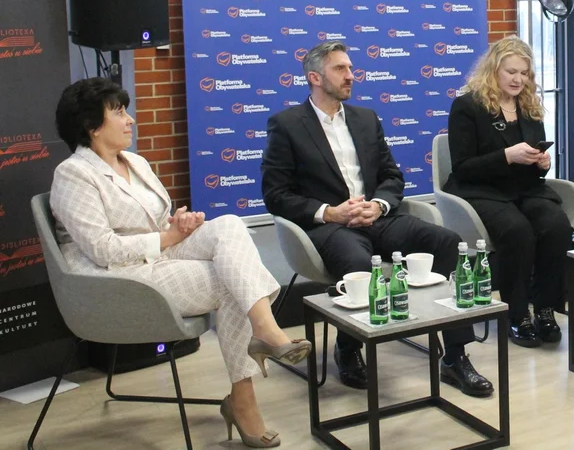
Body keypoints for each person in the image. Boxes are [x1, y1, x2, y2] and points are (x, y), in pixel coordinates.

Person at [50, 78, 309, 449]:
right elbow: (102, 249)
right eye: (119, 112)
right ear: (91, 126)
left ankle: (264, 330)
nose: (130, 120)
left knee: (229, 225)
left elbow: (156, 223)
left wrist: (178, 225)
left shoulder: (135, 162)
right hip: (116, 278)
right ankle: (244, 398)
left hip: (154, 256)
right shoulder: (73, 173)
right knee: (230, 282)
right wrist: (168, 237)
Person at [261, 41, 491, 397]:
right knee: (358, 264)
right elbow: (275, 194)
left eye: (351, 68)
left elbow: (391, 176)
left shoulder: (365, 119)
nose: (350, 75)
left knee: (447, 242)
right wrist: (329, 212)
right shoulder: (287, 125)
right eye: (340, 69)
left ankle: (455, 356)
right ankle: (349, 348)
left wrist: (380, 205)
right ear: (315, 78)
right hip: (329, 227)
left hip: (378, 219)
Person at [444, 36, 572, 347]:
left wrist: (541, 163)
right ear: (493, 70)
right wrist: (506, 156)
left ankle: (545, 308)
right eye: (511, 72)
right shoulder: (467, 106)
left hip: (524, 188)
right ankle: (517, 314)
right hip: (481, 189)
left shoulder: (529, 106)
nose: (518, 79)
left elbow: (534, 161)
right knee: (517, 231)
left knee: (556, 225)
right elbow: (463, 167)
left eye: (524, 73)